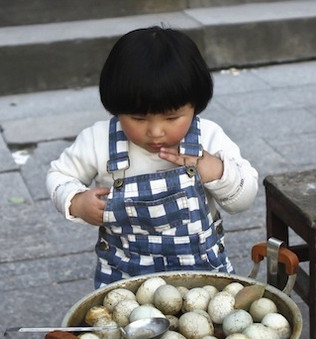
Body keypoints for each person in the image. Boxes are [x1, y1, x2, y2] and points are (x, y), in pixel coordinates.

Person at [47, 26, 258, 288]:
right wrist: (76, 201)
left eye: (172, 118)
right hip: (125, 281)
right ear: (116, 107)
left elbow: (244, 198)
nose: (156, 132)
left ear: (195, 105)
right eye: (138, 118)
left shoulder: (209, 138)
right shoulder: (98, 141)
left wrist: (215, 170)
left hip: (203, 282)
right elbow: (59, 174)